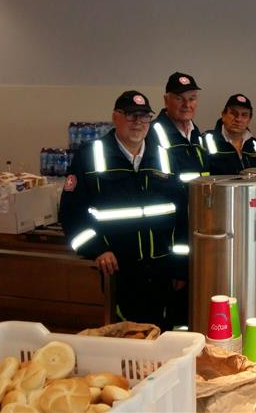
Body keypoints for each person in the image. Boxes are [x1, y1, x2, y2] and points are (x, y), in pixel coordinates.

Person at [59, 91, 189, 332]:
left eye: (144, 116)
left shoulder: (165, 157)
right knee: (126, 337)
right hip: (120, 272)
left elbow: (182, 216)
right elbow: (71, 213)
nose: (138, 122)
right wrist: (97, 248)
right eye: (131, 115)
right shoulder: (90, 156)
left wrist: (181, 265)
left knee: (163, 336)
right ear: (115, 117)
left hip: (163, 272)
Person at [149, 71, 209, 186]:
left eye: (191, 99)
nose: (187, 105)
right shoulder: (151, 133)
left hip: (199, 197)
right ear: (166, 101)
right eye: (179, 99)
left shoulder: (196, 133)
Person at [203, 94, 256, 175]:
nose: (238, 119)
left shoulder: (255, 145)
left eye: (244, 115)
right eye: (233, 113)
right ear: (223, 115)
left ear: (249, 119)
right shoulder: (206, 141)